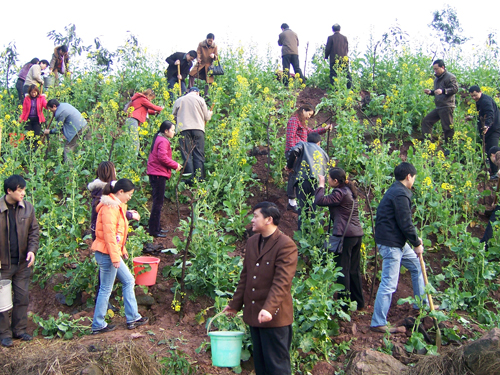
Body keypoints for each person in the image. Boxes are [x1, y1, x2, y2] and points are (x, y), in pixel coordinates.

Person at [223, 202, 298, 375]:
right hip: (255, 315)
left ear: (269, 219)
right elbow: (246, 276)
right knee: (261, 367)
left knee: (277, 368)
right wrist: (235, 304)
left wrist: (269, 309)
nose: (252, 219)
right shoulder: (252, 242)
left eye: (256, 216)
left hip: (275, 318)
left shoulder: (286, 245)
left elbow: (282, 282)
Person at [370, 162, 426, 333]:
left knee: (416, 266)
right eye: (414, 178)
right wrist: (416, 243)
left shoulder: (396, 190)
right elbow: (405, 222)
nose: (414, 181)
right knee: (389, 283)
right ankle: (378, 322)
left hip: (396, 242)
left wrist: (414, 240)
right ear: (409, 176)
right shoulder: (400, 194)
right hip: (391, 244)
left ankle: (421, 304)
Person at [91, 179, 148, 334]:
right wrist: (116, 257)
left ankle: (133, 318)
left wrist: (121, 250)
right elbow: (109, 236)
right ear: (120, 192)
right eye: (128, 194)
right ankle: (98, 324)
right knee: (106, 288)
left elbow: (117, 234)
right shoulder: (110, 208)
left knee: (129, 280)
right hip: (107, 254)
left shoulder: (117, 206)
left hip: (111, 252)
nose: (130, 197)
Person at [315, 168, 364, 310]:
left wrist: (321, 185)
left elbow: (320, 201)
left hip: (345, 236)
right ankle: (359, 303)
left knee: (343, 270)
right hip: (356, 234)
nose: (328, 180)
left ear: (335, 181)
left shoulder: (339, 193)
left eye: (329, 178)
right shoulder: (349, 191)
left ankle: (344, 306)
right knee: (354, 270)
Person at [0, 175, 39, 347]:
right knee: (2, 302)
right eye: (19, 190)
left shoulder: (28, 208)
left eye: (23, 189)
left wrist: (32, 251)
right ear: (9, 191)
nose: (23, 193)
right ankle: (4, 334)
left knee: (22, 297)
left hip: (23, 263)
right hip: (3, 264)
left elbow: (34, 232)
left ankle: (19, 330)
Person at [285, 104, 332, 212]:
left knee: (298, 174)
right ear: (303, 110)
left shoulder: (301, 123)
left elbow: (310, 133)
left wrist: (324, 129)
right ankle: (292, 201)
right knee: (293, 174)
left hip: (300, 152)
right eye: (309, 114)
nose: (309, 117)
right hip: (295, 151)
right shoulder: (293, 120)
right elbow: (290, 138)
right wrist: (294, 154)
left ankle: (295, 201)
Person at [147, 121, 182, 237]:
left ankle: (156, 228)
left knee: (158, 202)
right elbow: (162, 157)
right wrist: (175, 165)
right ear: (166, 131)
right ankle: (154, 231)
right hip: (158, 174)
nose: (174, 132)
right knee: (158, 203)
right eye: (172, 130)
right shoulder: (163, 141)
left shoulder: (159, 138)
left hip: (156, 173)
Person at [286, 132, 329, 229]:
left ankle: (302, 233)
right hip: (318, 183)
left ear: (307, 140)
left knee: (302, 207)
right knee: (316, 208)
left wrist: (289, 165)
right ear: (319, 143)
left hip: (303, 180)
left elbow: (293, 150)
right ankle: (315, 233)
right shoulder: (324, 153)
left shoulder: (303, 144)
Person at [172, 87, 212, 184]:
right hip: (198, 129)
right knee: (198, 154)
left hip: (183, 130)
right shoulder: (200, 99)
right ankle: (199, 178)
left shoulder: (179, 100)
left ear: (188, 92)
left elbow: (173, 116)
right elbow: (206, 117)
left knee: (186, 154)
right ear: (197, 92)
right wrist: (210, 113)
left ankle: (189, 179)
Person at [421, 59, 458, 144]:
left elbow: (455, 89)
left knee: (447, 127)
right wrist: (431, 92)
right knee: (427, 121)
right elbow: (438, 91)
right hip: (439, 106)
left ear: (443, 67)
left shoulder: (450, 77)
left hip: (447, 106)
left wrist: (444, 91)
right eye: (434, 69)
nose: (435, 71)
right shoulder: (436, 79)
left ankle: (450, 147)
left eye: (436, 69)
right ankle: (427, 143)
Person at [467, 86, 500, 180]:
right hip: (489, 130)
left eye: (475, 95)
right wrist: (473, 118)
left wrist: (486, 126)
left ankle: (497, 174)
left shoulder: (485, 101)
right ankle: (494, 172)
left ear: (480, 92)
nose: (474, 98)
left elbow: (490, 113)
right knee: (489, 150)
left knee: (494, 152)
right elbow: (483, 115)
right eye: (472, 96)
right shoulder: (480, 101)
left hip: (493, 129)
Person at [44, 99, 89, 163]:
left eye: (49, 109)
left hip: (78, 130)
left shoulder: (60, 113)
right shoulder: (63, 105)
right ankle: (81, 162)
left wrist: (49, 132)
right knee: (80, 145)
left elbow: (58, 128)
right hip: (84, 125)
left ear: (54, 106)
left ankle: (69, 168)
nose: (50, 111)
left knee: (68, 147)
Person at [325, 24, 352, 89]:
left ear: (332, 30)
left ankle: (334, 89)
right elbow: (346, 48)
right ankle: (350, 87)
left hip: (334, 59)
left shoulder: (330, 38)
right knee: (346, 73)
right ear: (340, 29)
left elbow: (328, 48)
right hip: (344, 58)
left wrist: (326, 56)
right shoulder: (344, 38)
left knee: (333, 74)